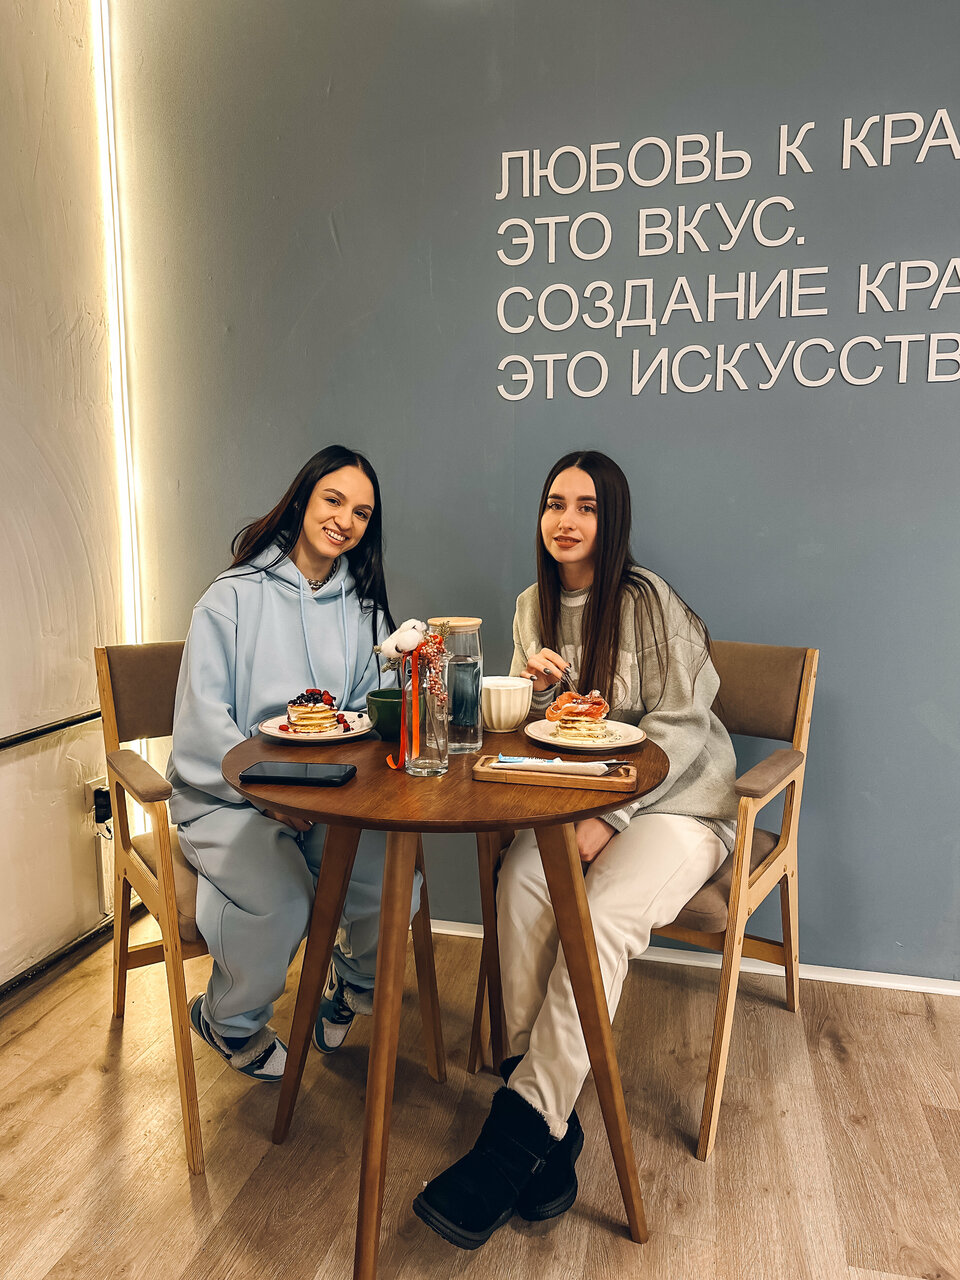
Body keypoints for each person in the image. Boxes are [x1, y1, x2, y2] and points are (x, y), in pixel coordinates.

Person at [414, 450, 737, 1248]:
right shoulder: (532, 606)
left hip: (678, 805)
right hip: (576, 801)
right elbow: (539, 731)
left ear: (611, 518)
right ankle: (546, 1118)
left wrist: (613, 819)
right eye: (555, 503)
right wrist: (535, 691)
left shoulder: (649, 602)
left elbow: (682, 730)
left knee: (600, 916)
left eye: (586, 506)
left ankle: (515, 1134)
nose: (566, 520)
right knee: (520, 882)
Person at [168, 445, 418, 1081]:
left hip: (329, 795)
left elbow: (365, 713)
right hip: (231, 798)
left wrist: (400, 671)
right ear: (303, 498)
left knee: (390, 878)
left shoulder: (364, 607)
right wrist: (265, 794)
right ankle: (226, 1020)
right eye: (333, 500)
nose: (345, 521)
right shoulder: (229, 598)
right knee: (280, 903)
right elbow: (201, 726)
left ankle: (353, 986)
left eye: (361, 512)